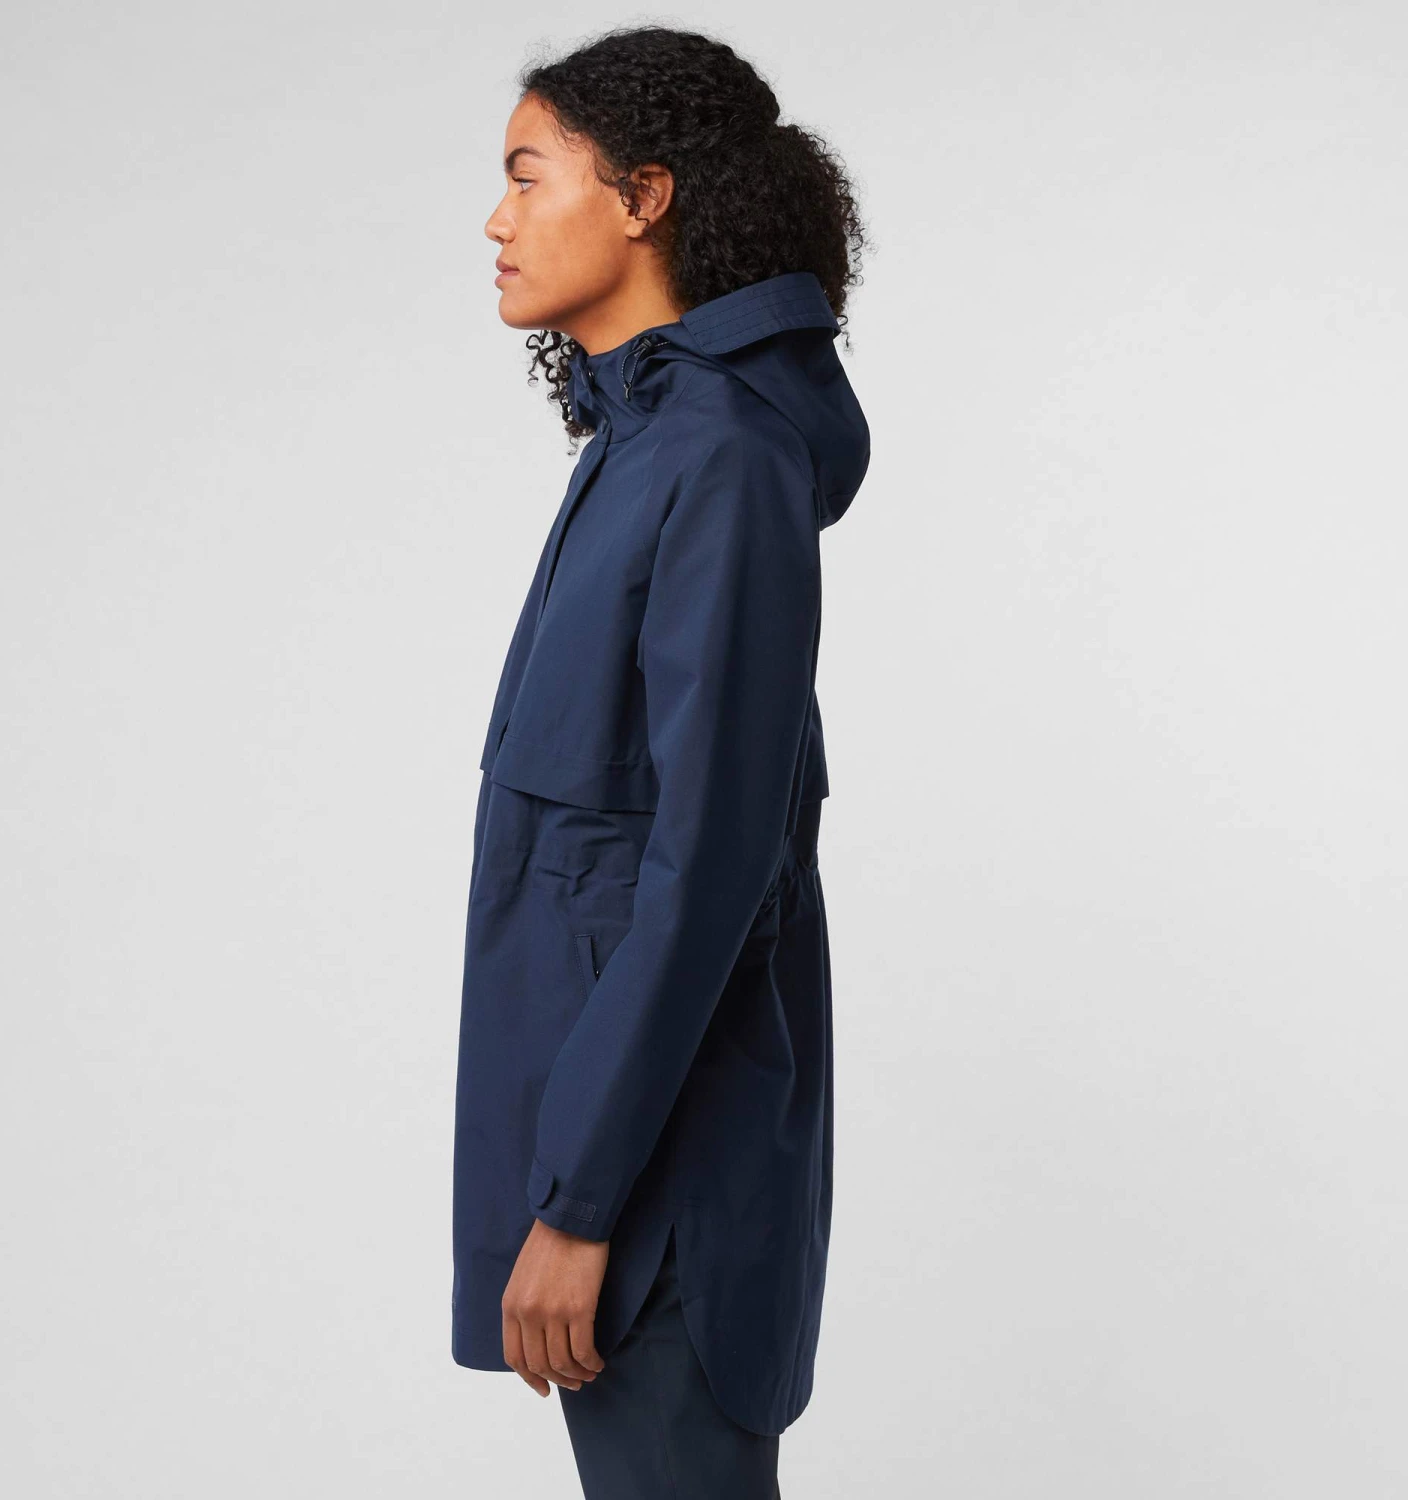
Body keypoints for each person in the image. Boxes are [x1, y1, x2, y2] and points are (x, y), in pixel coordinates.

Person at [452, 24, 871, 1496]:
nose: (496, 220)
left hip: (660, 1186)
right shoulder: (640, 444)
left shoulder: (722, 459)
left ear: (641, 197)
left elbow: (710, 867)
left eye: (528, 176)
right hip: (606, 1148)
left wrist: (581, 1205)